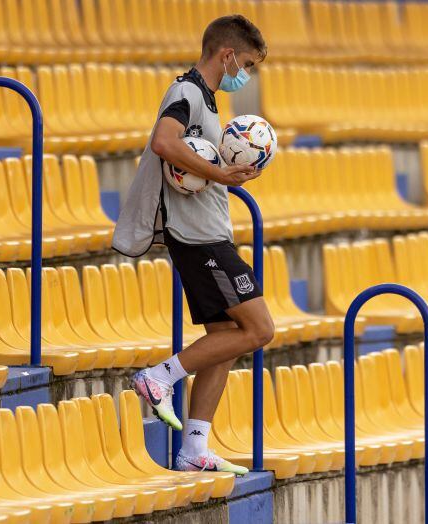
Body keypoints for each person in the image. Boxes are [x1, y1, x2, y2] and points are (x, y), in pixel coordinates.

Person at [111, 14, 272, 476]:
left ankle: (194, 447)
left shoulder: (205, 98)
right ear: (227, 55)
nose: (246, 73)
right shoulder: (185, 92)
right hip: (199, 240)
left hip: (209, 234)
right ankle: (159, 378)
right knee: (260, 329)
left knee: (226, 339)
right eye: (246, 64)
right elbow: (165, 142)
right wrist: (222, 173)